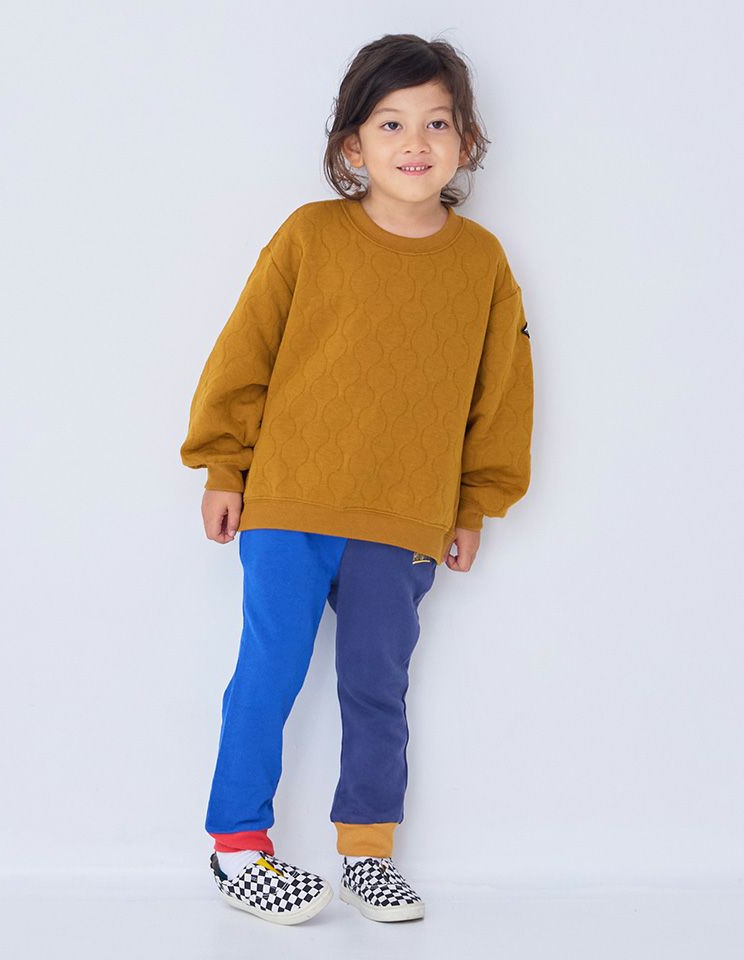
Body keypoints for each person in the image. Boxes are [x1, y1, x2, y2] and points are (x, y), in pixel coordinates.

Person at [179, 32, 534, 925]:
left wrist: (473, 505)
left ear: (466, 141)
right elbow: (246, 352)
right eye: (390, 123)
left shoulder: (483, 263)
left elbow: (500, 396)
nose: (415, 142)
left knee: (377, 687)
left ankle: (367, 853)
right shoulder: (310, 235)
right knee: (268, 672)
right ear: (352, 147)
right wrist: (225, 464)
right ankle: (238, 847)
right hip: (288, 500)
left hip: (406, 515)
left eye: (437, 123)